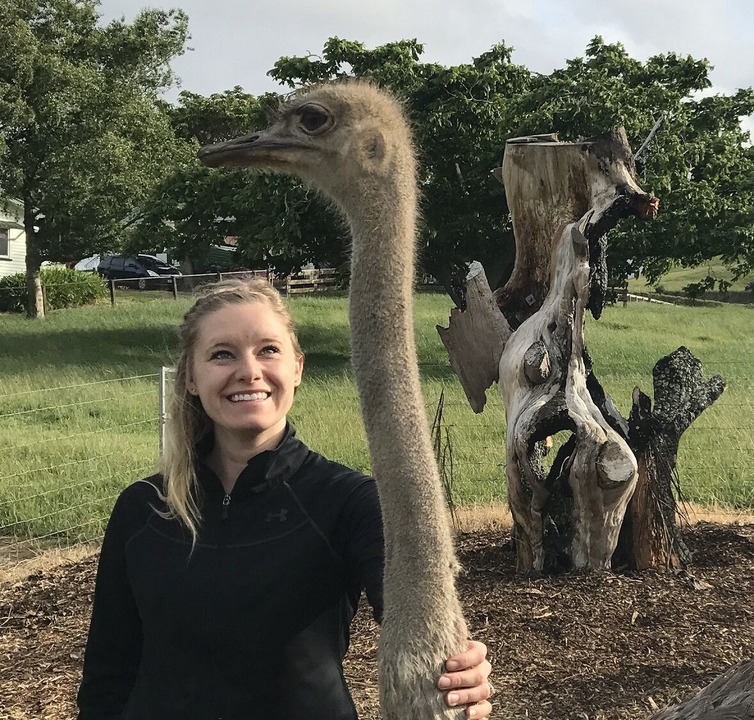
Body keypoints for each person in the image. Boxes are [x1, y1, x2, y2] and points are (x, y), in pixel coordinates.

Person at [76, 278, 493, 720]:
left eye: (268, 350)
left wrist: (459, 673)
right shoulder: (144, 508)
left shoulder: (349, 502)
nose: (249, 371)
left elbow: (418, 627)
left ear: (297, 368)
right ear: (191, 378)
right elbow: (107, 678)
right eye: (222, 354)